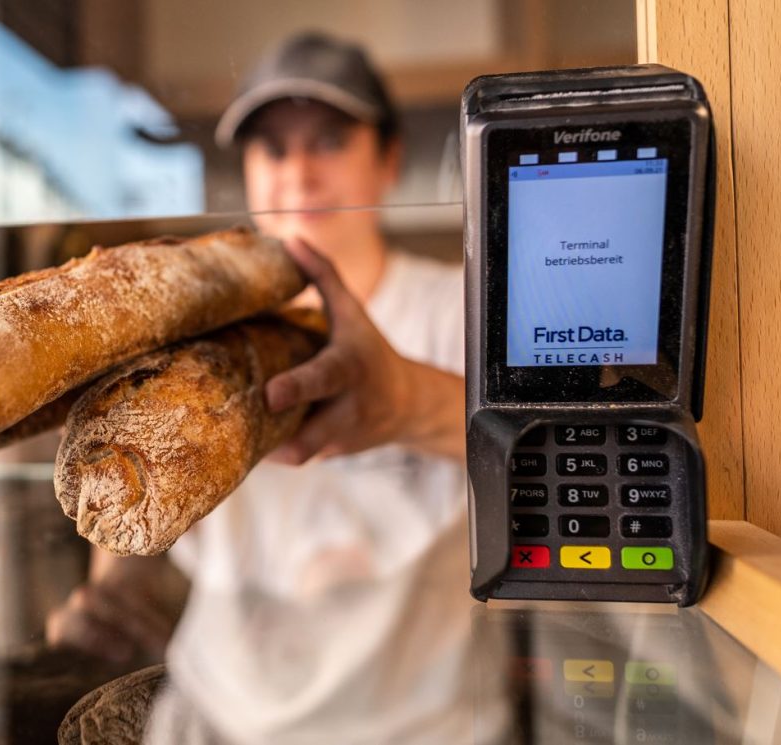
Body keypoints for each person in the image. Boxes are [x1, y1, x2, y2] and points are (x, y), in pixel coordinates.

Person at [47, 31, 473, 741]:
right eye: (273, 149)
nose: (298, 173)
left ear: (389, 160)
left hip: (413, 723)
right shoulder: (197, 343)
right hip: (212, 720)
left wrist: (400, 399)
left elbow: (556, 458)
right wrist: (113, 602)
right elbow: (128, 552)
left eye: (329, 141)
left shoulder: (458, 309)